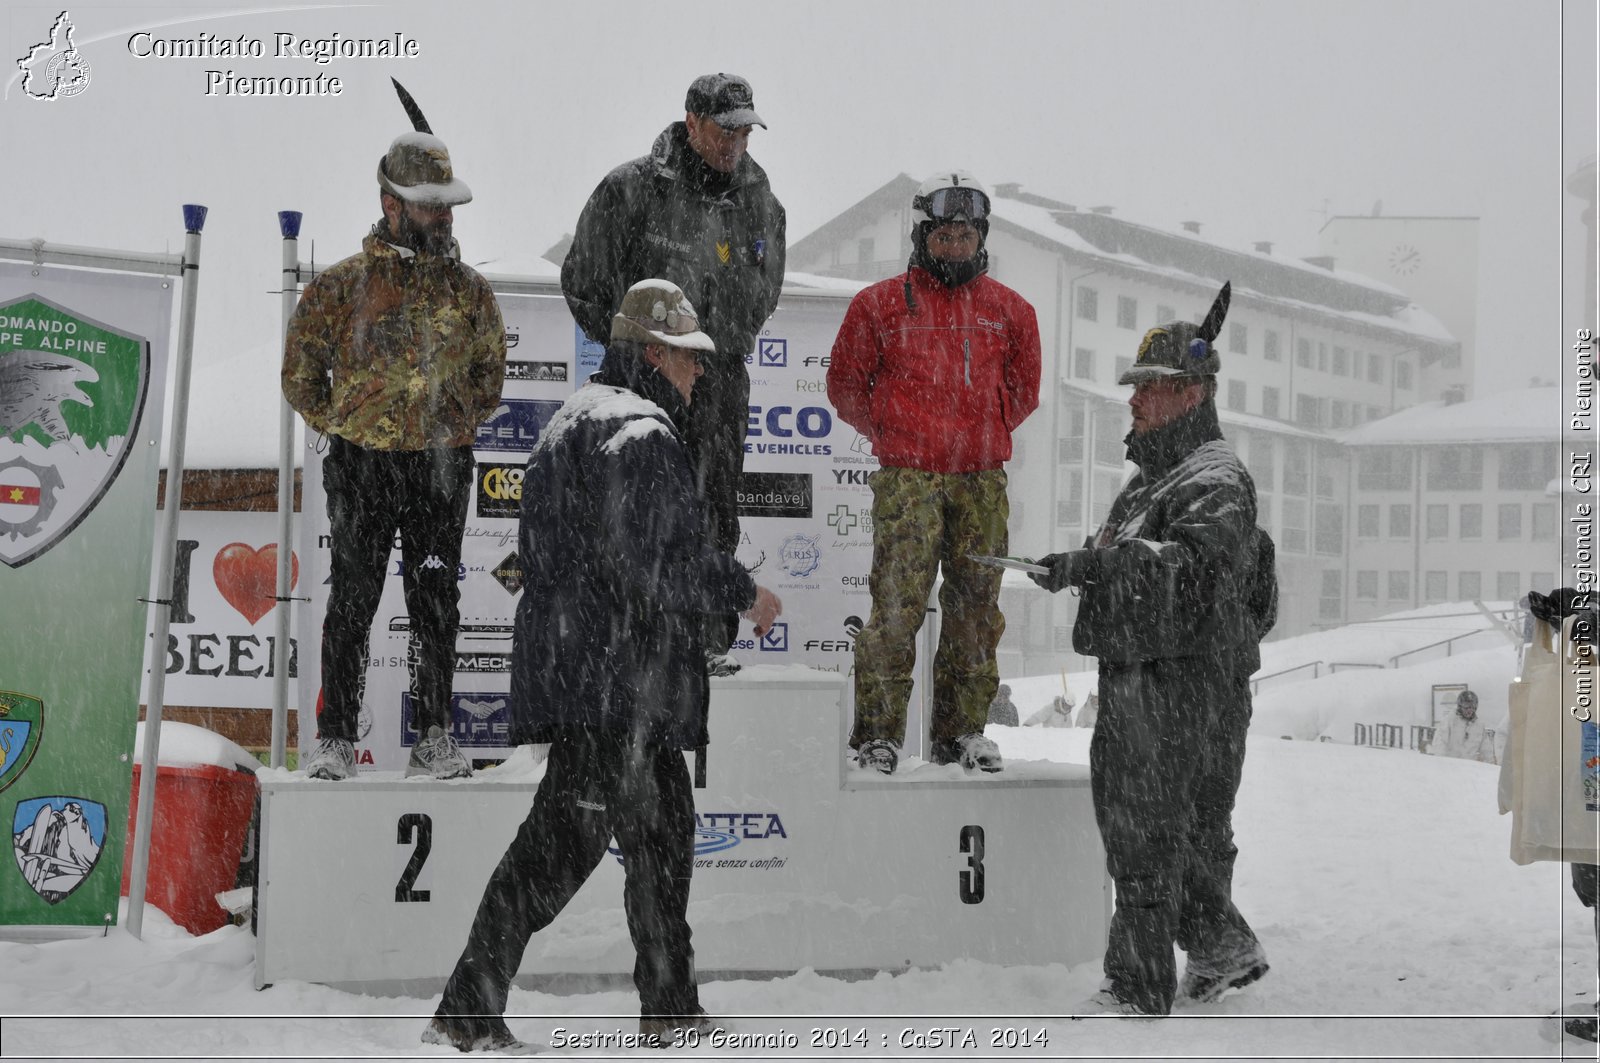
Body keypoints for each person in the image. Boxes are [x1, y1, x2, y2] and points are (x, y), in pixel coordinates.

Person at [425, 280, 781, 1053]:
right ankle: (477, 1009)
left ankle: (659, 1008)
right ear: (652, 353)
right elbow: (658, 565)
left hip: (597, 681)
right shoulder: (638, 432)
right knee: (572, 853)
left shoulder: (574, 421)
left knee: (641, 844)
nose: (697, 375)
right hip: (622, 687)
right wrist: (743, 590)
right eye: (688, 360)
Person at [1029, 282, 1277, 1016]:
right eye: (1135, 389)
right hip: (1151, 680)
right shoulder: (1153, 482)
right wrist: (1077, 563)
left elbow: (1192, 572)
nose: (1133, 403)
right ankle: (1218, 947)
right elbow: (1135, 558)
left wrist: (1100, 567)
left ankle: (1138, 990)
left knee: (1150, 836)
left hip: (1182, 688)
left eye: (1148, 389)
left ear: (1192, 392)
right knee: (1168, 831)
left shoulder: (1216, 480)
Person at [282, 125, 505, 782]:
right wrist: (348, 423)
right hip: (363, 465)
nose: (443, 217)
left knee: (435, 598)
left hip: (441, 466)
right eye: (430, 204)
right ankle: (336, 738)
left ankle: (434, 733)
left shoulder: (470, 292)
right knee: (352, 597)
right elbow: (299, 372)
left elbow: (489, 375)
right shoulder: (341, 287)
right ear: (391, 204)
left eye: (447, 205)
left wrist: (447, 425)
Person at [559, 72, 785, 668]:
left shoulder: (761, 200)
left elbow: (765, 291)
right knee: (630, 513)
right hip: (641, 386)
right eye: (724, 129)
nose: (735, 142)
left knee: (712, 510)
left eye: (745, 131)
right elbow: (583, 281)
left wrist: (713, 349)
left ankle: (704, 649)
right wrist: (642, 351)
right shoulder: (631, 188)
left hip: (717, 383)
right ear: (692, 124)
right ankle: (626, 644)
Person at [826, 171, 1041, 775]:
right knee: (896, 608)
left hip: (982, 481)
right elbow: (844, 384)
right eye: (944, 235)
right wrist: (895, 435)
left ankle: (962, 734)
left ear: (982, 239)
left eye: (965, 236)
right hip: (907, 480)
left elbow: (1025, 391)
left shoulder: (1012, 312)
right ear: (923, 236)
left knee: (977, 610)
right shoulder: (877, 304)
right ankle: (878, 735)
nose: (955, 246)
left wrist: (984, 429)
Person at [1429, 689, 1496, 763]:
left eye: (1472, 707)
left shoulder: (1479, 726)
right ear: (1460, 707)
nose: (1469, 710)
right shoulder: (1449, 720)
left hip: (1469, 768)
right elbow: (1440, 743)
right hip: (1450, 766)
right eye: (1466, 707)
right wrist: (1441, 762)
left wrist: (1492, 764)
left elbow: (1487, 749)